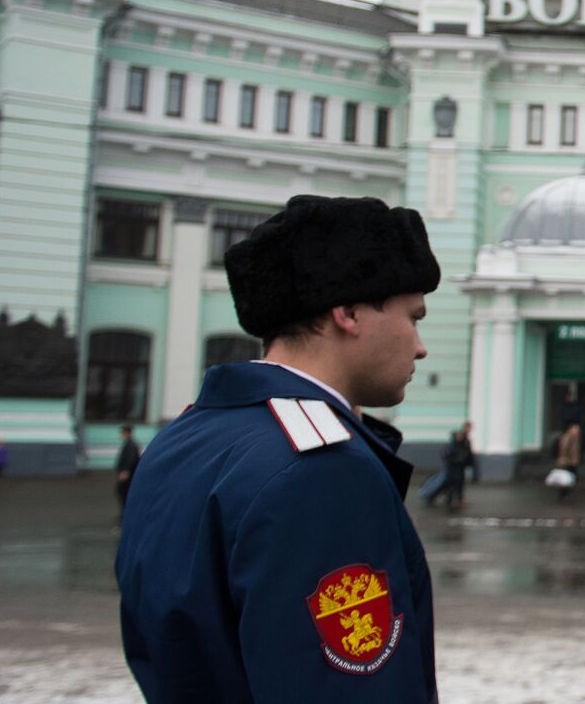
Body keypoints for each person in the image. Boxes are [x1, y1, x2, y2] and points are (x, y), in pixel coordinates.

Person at [115, 195, 441, 702]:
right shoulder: (322, 471)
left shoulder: (185, 436)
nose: (420, 345)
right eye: (413, 316)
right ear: (349, 312)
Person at [431, 422, 477, 510]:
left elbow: (467, 453)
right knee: (452, 484)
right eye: (469, 428)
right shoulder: (458, 441)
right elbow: (452, 454)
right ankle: (450, 500)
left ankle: (456, 500)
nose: (470, 430)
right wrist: (459, 460)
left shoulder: (464, 440)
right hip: (454, 467)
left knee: (458, 484)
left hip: (459, 467)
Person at [115, 425, 140, 514]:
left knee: (123, 493)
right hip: (129, 473)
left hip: (128, 474)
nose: (121, 435)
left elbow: (131, 459)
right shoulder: (130, 444)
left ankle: (126, 513)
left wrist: (125, 471)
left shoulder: (131, 445)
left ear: (127, 433)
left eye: (122, 432)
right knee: (123, 492)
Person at [555, 423, 581, 501]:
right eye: (575, 429)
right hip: (567, 462)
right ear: (570, 430)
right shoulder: (567, 438)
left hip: (572, 462)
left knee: (571, 479)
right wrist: (563, 459)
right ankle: (563, 494)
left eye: (578, 430)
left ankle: (565, 494)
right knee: (567, 479)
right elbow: (563, 450)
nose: (577, 432)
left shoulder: (575, 438)